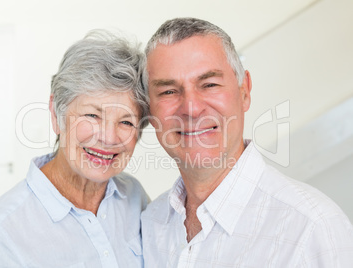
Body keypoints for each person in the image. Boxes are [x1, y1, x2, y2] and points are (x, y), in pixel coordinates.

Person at [141, 17, 353, 267]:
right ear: (150, 111)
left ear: (244, 92)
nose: (191, 108)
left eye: (209, 84)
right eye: (168, 91)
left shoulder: (312, 229)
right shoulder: (148, 224)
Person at [0, 30, 149, 267]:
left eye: (126, 121)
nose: (109, 138)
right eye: (92, 115)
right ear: (56, 113)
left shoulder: (134, 195)